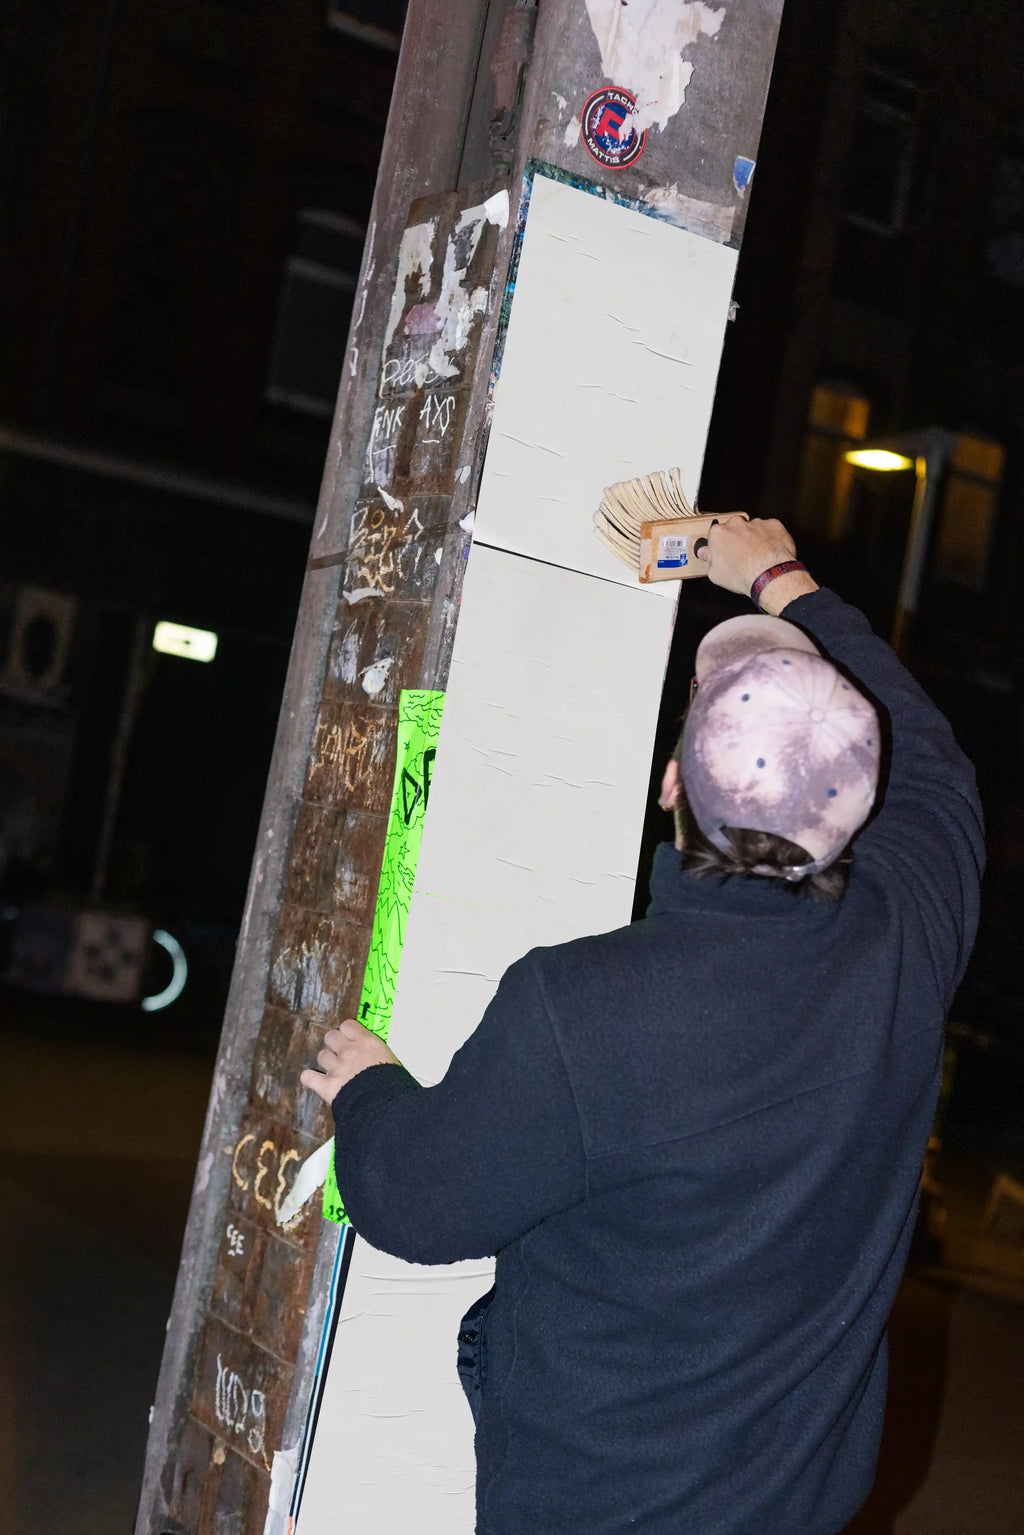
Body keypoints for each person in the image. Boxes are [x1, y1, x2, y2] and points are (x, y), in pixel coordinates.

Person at [300, 517, 983, 1535]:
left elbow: (415, 1202)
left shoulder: (581, 1008)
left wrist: (368, 1087)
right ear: (860, 805)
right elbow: (938, 764)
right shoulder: (906, 941)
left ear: (670, 784)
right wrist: (785, 583)